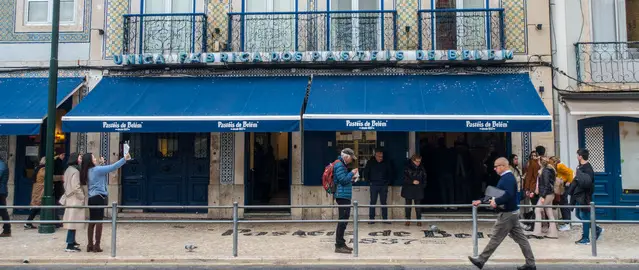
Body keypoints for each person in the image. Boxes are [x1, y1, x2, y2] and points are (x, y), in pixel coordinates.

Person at [469, 157, 536, 270]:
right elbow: (496, 192)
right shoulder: (505, 178)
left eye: (496, 166)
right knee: (522, 239)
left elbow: (508, 194)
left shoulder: (508, 179)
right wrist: (481, 200)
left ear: (503, 166)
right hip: (512, 213)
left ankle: (481, 260)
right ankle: (531, 263)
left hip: (507, 215)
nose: (494, 169)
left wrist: (496, 201)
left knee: (495, 238)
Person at [81, 152, 130, 252]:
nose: (95, 158)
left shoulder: (87, 171)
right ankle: (97, 245)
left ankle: (89, 244)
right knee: (99, 222)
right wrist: (124, 159)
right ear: (90, 160)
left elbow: (99, 174)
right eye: (93, 157)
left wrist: (102, 164)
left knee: (92, 222)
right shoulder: (97, 170)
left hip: (91, 198)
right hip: (99, 197)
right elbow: (113, 167)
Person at [568, 149, 603, 245]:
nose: (577, 157)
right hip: (579, 195)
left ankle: (586, 238)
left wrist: (578, 177)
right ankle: (596, 229)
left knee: (584, 216)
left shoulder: (587, 168)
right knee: (578, 215)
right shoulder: (581, 167)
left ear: (580, 156)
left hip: (584, 196)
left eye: (577, 155)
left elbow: (587, 183)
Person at [333, 148, 358, 254]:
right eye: (351, 158)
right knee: (342, 220)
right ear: (346, 157)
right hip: (342, 195)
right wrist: (352, 173)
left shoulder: (342, 165)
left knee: (344, 219)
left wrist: (351, 178)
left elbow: (343, 179)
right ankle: (339, 245)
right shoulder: (339, 165)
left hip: (344, 195)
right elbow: (343, 180)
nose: (351, 161)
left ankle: (342, 243)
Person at [530, 157, 558, 239]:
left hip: (546, 194)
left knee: (537, 210)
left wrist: (543, 196)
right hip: (550, 194)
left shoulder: (545, 171)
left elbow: (546, 185)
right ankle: (553, 233)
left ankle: (537, 232)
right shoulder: (549, 169)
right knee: (549, 213)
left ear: (540, 162)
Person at [61, 153, 84, 252]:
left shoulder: (68, 169)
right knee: (72, 222)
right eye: (79, 158)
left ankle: (72, 241)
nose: (81, 159)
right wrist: (82, 197)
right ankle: (69, 244)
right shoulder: (75, 171)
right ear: (75, 159)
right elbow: (76, 187)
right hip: (74, 199)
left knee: (72, 221)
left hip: (69, 197)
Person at [363, 148, 392, 224]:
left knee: (384, 202)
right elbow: (366, 172)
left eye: (381, 156)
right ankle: (371, 219)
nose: (380, 158)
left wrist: (387, 182)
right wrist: (368, 182)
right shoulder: (370, 162)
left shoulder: (386, 162)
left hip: (383, 185)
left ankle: (385, 219)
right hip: (374, 185)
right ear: (375, 156)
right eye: (379, 156)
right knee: (373, 202)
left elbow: (390, 173)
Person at [401, 154, 426, 226]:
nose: (418, 163)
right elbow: (404, 178)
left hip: (418, 188)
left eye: (419, 161)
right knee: (408, 206)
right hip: (408, 188)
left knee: (418, 206)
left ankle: (419, 220)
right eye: (417, 161)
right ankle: (407, 219)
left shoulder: (422, 168)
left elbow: (424, 178)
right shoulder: (407, 167)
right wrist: (412, 182)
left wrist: (422, 186)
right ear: (413, 160)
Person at [550, 156, 574, 231]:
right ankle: (566, 222)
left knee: (563, 203)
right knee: (563, 203)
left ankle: (567, 223)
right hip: (561, 185)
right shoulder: (558, 166)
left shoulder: (559, 166)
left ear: (554, 161)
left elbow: (570, 172)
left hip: (563, 186)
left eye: (550, 162)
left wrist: (569, 182)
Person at [25, 157, 46, 229]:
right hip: (40, 190)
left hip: (37, 188)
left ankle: (28, 222)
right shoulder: (43, 169)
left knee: (37, 206)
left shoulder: (38, 168)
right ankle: (28, 222)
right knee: (37, 206)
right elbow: (46, 177)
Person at [0, 156, 10, 237]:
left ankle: (7, 230)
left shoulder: (2, 165)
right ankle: (7, 230)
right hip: (1, 190)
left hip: (1, 191)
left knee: (3, 211)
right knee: (3, 211)